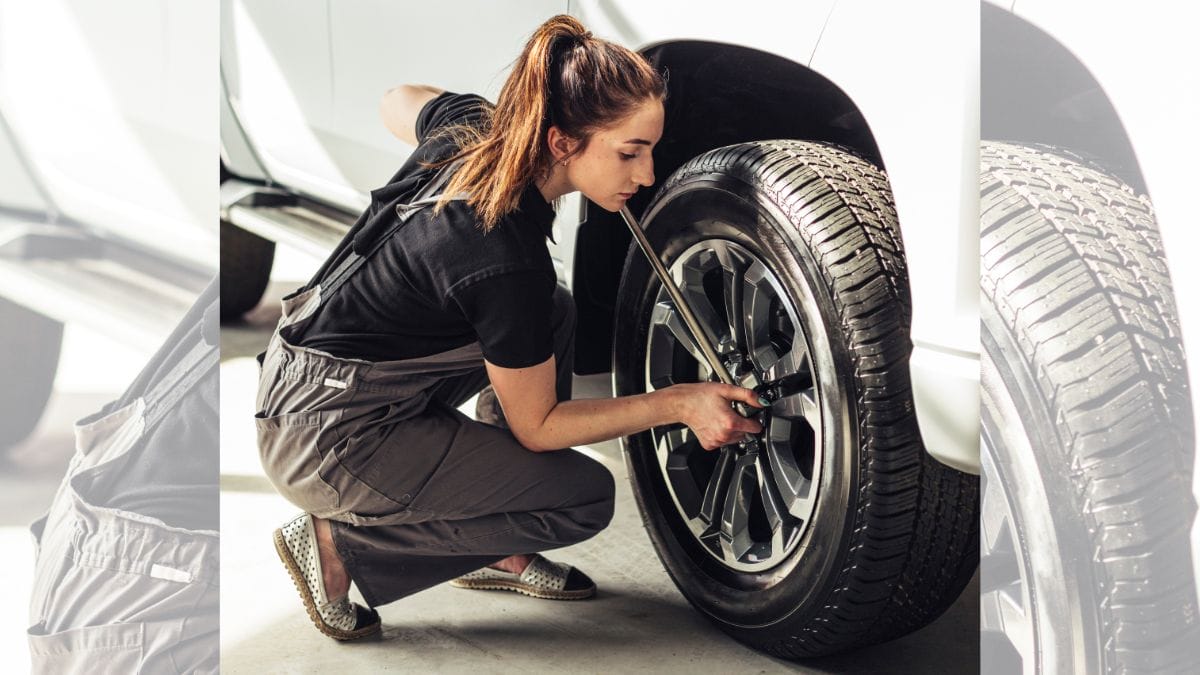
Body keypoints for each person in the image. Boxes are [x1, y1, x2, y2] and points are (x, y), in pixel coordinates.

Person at [256, 14, 767, 641]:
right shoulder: (499, 257)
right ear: (560, 143)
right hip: (328, 437)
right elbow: (542, 425)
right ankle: (339, 546)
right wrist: (680, 402)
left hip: (308, 377)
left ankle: (500, 545)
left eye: (651, 150)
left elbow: (397, 100)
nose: (647, 174)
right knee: (582, 497)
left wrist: (472, 125)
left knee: (554, 309)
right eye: (629, 152)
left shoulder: (472, 129)